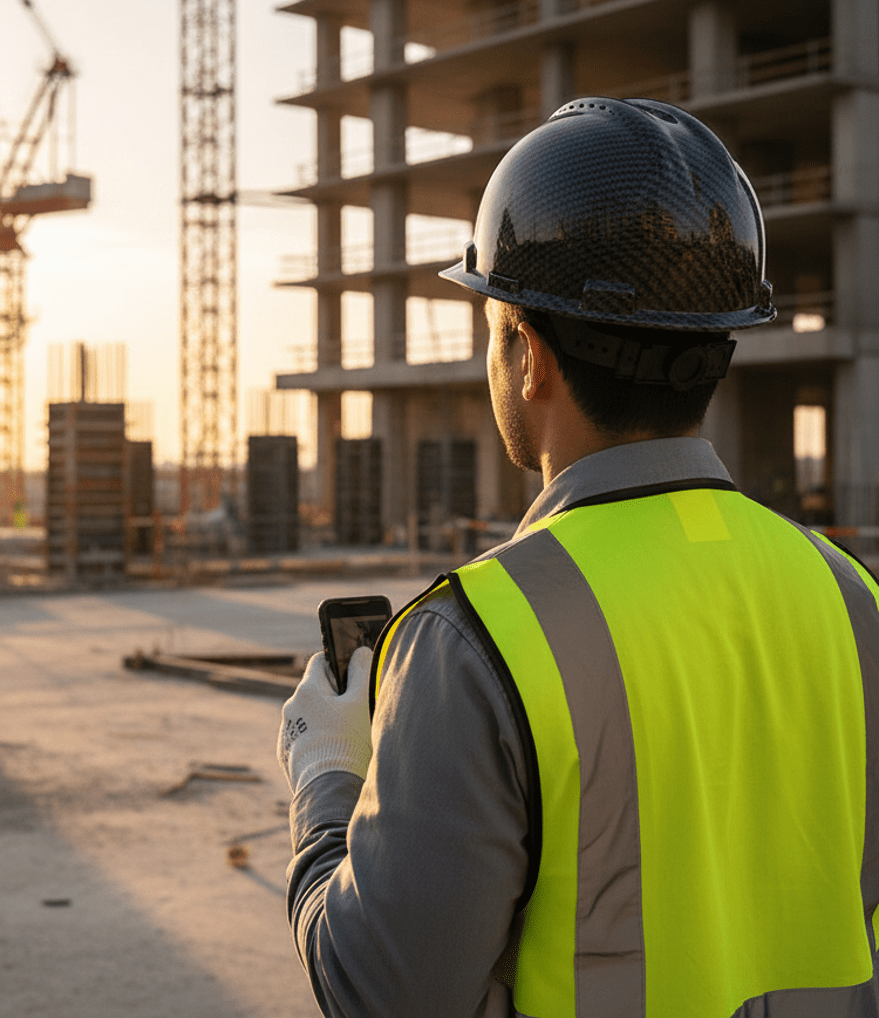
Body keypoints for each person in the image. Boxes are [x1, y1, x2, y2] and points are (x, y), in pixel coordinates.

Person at [277, 97, 879, 1017]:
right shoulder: (851, 597)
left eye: (492, 328)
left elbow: (381, 992)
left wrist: (328, 781)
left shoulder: (473, 641)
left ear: (530, 355)